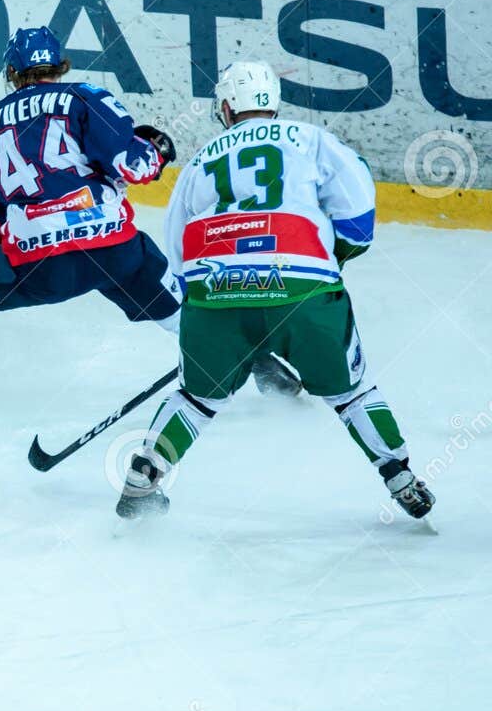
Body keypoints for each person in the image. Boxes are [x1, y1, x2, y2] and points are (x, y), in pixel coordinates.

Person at [116, 62, 435, 521]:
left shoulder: (202, 158)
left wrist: (210, 303)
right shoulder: (311, 139)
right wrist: (332, 256)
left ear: (226, 106)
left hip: (214, 296)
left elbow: (178, 252)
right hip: (302, 289)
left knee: (196, 398)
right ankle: (399, 475)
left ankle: (145, 474)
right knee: (351, 393)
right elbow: (359, 214)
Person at [0, 27, 180, 396]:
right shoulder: (86, 97)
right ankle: (230, 355)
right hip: (115, 254)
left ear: (11, 72)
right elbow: (133, 166)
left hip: (40, 266)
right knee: (187, 315)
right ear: (60, 65)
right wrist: (157, 148)